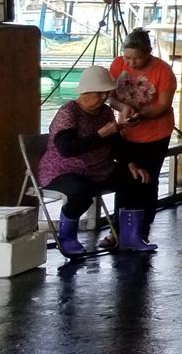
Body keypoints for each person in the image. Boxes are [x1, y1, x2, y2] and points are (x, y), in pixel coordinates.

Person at [37, 68, 155, 256]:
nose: (103, 97)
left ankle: (129, 235)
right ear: (85, 92)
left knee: (137, 180)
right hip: (64, 171)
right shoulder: (68, 113)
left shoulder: (105, 112)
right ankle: (67, 237)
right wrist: (100, 135)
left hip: (100, 168)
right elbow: (67, 149)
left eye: (106, 93)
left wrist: (130, 163)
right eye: (99, 93)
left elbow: (116, 142)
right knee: (80, 192)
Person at [107, 28, 177, 246]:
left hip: (155, 134)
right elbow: (110, 96)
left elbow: (164, 105)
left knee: (146, 181)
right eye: (127, 58)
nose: (131, 63)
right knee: (125, 179)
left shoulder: (163, 71)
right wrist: (123, 107)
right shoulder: (118, 64)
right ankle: (117, 230)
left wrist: (142, 116)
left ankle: (141, 230)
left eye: (137, 58)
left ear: (149, 52)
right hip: (126, 131)